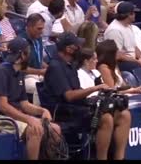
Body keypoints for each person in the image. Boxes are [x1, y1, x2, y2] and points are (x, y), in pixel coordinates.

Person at [43, 32, 131, 160]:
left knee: (124, 115)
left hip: (79, 107)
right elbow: (69, 96)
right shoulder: (56, 67)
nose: (80, 48)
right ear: (69, 49)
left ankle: (120, 157)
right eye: (77, 46)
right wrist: (95, 88)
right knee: (105, 118)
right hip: (64, 113)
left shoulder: (71, 65)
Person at [0, 37, 62, 160]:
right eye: (28, 52)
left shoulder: (19, 73)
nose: (31, 56)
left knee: (55, 129)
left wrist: (43, 111)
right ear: (22, 55)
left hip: (12, 117)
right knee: (35, 129)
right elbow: (3, 107)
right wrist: (29, 119)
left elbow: (24, 104)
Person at [18, 13, 47, 98]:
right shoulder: (21, 42)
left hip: (39, 74)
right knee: (39, 89)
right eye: (39, 29)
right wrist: (40, 72)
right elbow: (21, 68)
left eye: (42, 28)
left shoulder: (38, 38)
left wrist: (50, 68)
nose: (41, 31)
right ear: (29, 27)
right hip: (25, 77)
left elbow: (39, 59)